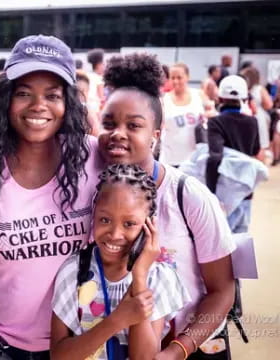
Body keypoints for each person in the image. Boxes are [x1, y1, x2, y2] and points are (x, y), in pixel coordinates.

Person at [0, 34, 103, 359]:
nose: (38, 106)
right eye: (24, 93)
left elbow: (148, 176)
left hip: (75, 341)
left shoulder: (92, 157)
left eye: (52, 95)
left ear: (69, 103)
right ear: (6, 98)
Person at [99, 53, 236, 359]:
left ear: (155, 136)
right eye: (109, 123)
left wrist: (178, 350)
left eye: (134, 125)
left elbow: (222, 290)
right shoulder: (94, 192)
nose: (118, 133)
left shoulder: (189, 196)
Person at [51, 164, 190, 360]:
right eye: (105, 220)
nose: (115, 234)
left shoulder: (158, 277)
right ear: (94, 214)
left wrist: (139, 276)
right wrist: (117, 320)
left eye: (129, 224)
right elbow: (58, 356)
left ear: (150, 225)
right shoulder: (74, 271)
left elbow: (144, 358)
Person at [206, 75, 261, 233]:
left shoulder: (215, 122)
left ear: (220, 97)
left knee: (222, 242)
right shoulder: (253, 122)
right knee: (241, 237)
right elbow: (255, 150)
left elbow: (215, 157)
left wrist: (210, 192)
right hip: (245, 189)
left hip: (224, 192)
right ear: (244, 98)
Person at [159, 63, 208, 166]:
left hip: (195, 160)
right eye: (172, 78)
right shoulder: (164, 99)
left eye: (179, 77)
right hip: (170, 160)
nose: (176, 81)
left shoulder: (199, 94)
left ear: (187, 77)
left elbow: (212, 112)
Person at [240, 66, 274, 156]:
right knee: (261, 144)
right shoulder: (259, 88)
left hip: (243, 115)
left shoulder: (242, 88)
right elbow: (269, 105)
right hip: (259, 117)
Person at [77, 71, 101, 136]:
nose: (81, 95)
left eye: (84, 91)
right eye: (78, 92)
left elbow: (95, 132)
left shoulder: (88, 109)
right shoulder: (87, 109)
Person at [87, 48, 106, 115]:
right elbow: (101, 98)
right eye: (103, 64)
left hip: (87, 107)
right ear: (98, 65)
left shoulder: (87, 75)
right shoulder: (99, 79)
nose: (104, 67)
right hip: (95, 109)